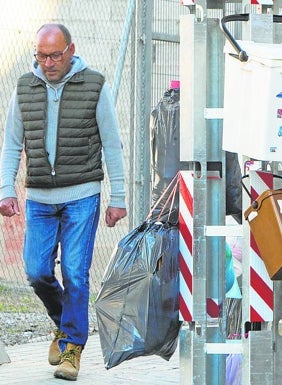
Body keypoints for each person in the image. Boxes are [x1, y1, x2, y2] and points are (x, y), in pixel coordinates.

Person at [0, 23, 127, 381]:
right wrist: (5, 190)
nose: (48, 62)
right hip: (39, 197)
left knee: (75, 271)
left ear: (71, 49)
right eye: (41, 56)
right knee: (36, 271)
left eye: (55, 55)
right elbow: (11, 143)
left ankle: (72, 346)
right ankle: (65, 324)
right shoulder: (24, 87)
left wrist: (117, 197)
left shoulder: (95, 85)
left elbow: (112, 145)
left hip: (82, 194)